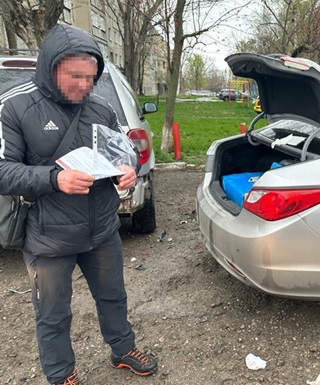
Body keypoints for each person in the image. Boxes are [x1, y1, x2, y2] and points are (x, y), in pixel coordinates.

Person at [0, 24, 157, 385]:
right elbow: (4, 171)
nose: (84, 86)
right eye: (75, 76)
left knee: (114, 297)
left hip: (102, 229)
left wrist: (128, 169)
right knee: (53, 314)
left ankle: (122, 349)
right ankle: (61, 374)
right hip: (48, 237)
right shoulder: (15, 106)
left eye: (90, 78)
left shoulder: (101, 108)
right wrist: (55, 179)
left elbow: (127, 150)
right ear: (51, 67)